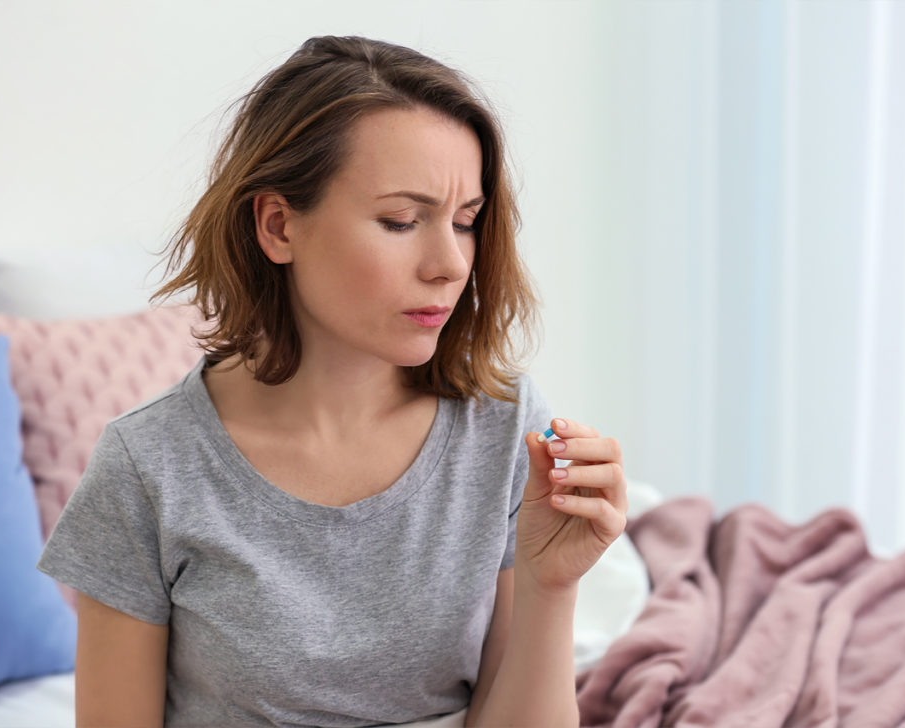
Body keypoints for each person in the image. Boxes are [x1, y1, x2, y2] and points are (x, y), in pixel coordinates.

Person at [38, 36, 627, 728]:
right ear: (279, 225)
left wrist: (550, 586)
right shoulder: (148, 468)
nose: (449, 264)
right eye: (401, 221)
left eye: (466, 222)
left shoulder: (503, 427)